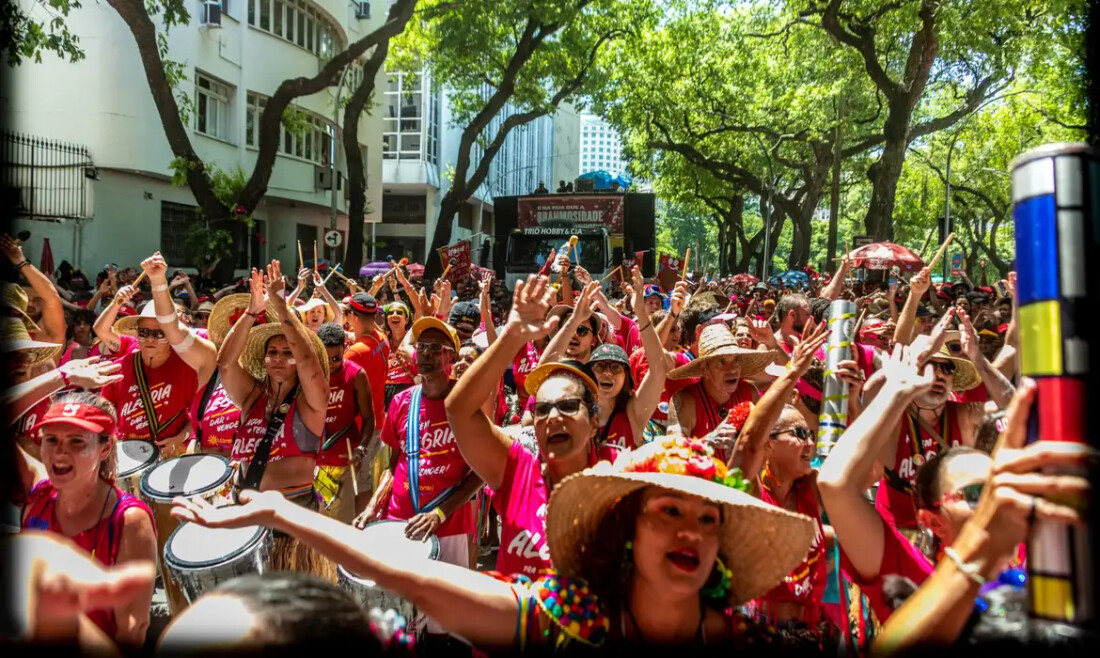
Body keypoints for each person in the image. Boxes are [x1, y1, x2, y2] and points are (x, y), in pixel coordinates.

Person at [172, 434, 816, 650]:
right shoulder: (569, 622)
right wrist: (284, 513)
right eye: (669, 511)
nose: (690, 532)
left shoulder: (748, 641)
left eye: (709, 520)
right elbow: (413, 578)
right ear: (627, 532)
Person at [446, 274, 611, 577]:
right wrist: (512, 335)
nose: (553, 416)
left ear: (594, 420)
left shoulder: (618, 480)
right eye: (544, 409)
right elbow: (458, 410)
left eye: (568, 406)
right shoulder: (517, 471)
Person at [353, 316, 483, 645]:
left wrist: (440, 513)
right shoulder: (402, 401)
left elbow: (481, 471)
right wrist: (372, 507)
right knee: (403, 621)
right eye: (421, 346)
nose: (424, 353)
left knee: (447, 626)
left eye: (435, 348)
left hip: (449, 526)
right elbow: (393, 465)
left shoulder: (465, 404)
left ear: (450, 358)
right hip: (401, 523)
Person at [21, 392, 157, 646]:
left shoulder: (130, 520)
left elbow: (130, 634)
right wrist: (58, 378)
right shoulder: (37, 495)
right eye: (51, 439)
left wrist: (59, 613)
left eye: (76, 441)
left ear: (104, 448)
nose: (60, 452)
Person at [865, 327, 986, 537]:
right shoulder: (895, 418)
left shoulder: (964, 415)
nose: (939, 375)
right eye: (930, 366)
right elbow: (871, 393)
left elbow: (1012, 406)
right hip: (897, 541)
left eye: (947, 368)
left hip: (952, 540)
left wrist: (979, 359)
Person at [98, 296, 199, 457]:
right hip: (126, 453)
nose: (150, 339)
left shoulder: (188, 369)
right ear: (137, 334)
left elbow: (198, 417)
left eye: (159, 334)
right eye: (144, 333)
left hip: (169, 455)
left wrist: (179, 439)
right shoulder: (120, 367)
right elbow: (104, 411)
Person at [588, 267, 667, 451]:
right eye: (600, 366)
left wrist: (640, 311)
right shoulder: (577, 412)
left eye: (616, 368)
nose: (607, 372)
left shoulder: (633, 414)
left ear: (627, 378)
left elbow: (658, 369)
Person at [669, 323, 774, 455]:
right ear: (704, 368)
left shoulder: (750, 393)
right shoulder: (685, 400)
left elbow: (768, 443)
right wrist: (708, 442)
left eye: (735, 360)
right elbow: (671, 453)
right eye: (722, 362)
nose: (733, 369)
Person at [314, 322, 374, 523]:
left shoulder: (356, 375)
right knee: (316, 522)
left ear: (345, 348)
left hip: (344, 460)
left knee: (339, 523)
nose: (330, 364)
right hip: (313, 462)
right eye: (325, 358)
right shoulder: (308, 373)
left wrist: (361, 449)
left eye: (336, 358)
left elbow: (368, 419)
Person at [343, 292, 387, 435]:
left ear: (352, 316)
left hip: (359, 428)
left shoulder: (354, 353)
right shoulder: (383, 339)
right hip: (379, 420)